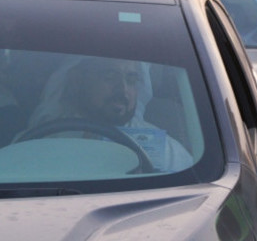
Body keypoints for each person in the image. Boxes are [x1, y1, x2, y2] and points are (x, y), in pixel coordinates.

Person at [27, 55, 193, 173]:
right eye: (110, 76)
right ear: (77, 80)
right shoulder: (37, 144)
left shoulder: (167, 150)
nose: (122, 90)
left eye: (131, 80)